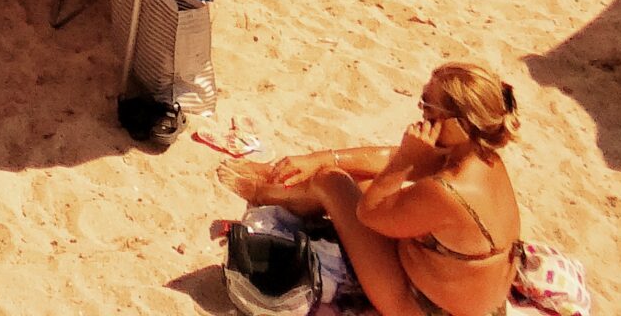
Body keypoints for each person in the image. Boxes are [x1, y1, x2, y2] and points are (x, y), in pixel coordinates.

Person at [220, 63, 520, 316]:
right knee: (360, 179)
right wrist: (321, 158)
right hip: (469, 301)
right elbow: (395, 159)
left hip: (421, 306)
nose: (421, 114)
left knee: (334, 183)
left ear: (457, 124)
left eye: (428, 106)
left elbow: (371, 212)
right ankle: (280, 178)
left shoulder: (447, 190)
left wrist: (404, 159)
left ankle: (264, 193)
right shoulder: (482, 158)